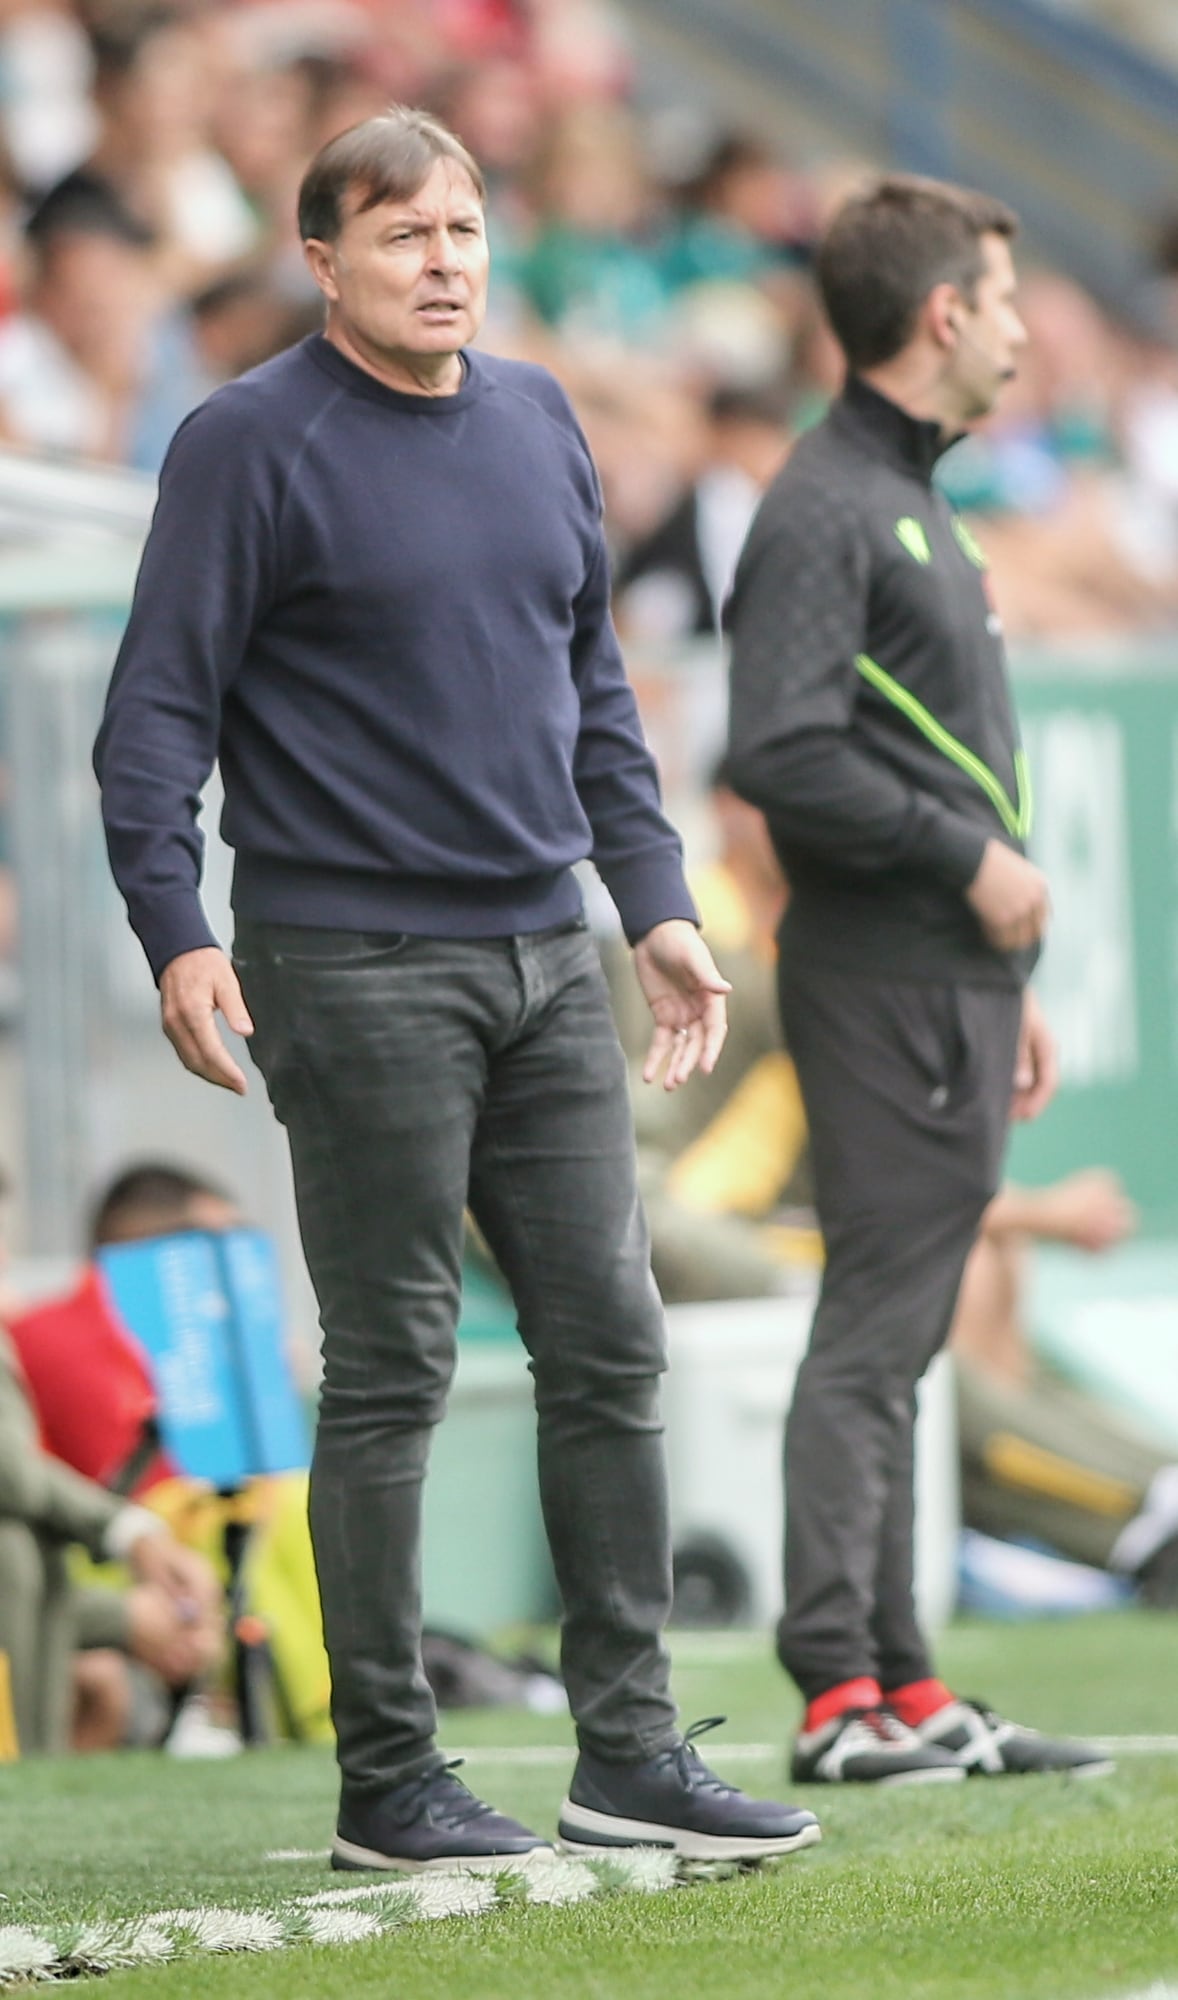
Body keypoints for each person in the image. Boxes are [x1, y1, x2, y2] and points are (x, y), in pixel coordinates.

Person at [93, 107, 819, 1870]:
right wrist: (177, 930)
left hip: (546, 951)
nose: (446, 264)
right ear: (322, 258)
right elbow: (153, 723)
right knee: (392, 1368)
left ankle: (626, 1753)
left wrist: (651, 905)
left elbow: (591, 690)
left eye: (468, 230)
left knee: (609, 1340)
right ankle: (389, 1783)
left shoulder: (539, 417)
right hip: (349, 963)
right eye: (404, 235)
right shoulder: (246, 445)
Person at [727, 173, 1110, 1782]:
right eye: (1005, 302)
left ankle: (903, 1685)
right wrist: (971, 873)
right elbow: (781, 752)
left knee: (906, 1333)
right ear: (941, 315)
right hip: (880, 966)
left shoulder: (910, 496)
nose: (1023, 332)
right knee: (874, 1331)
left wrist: (998, 961)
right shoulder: (826, 501)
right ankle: (835, 1694)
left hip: (943, 976)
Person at [0, 1171, 223, 1756]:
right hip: (82, 1564)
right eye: (211, 1245)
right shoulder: (59, 1333)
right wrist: (135, 1562)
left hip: (82, 1566)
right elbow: (27, 1477)